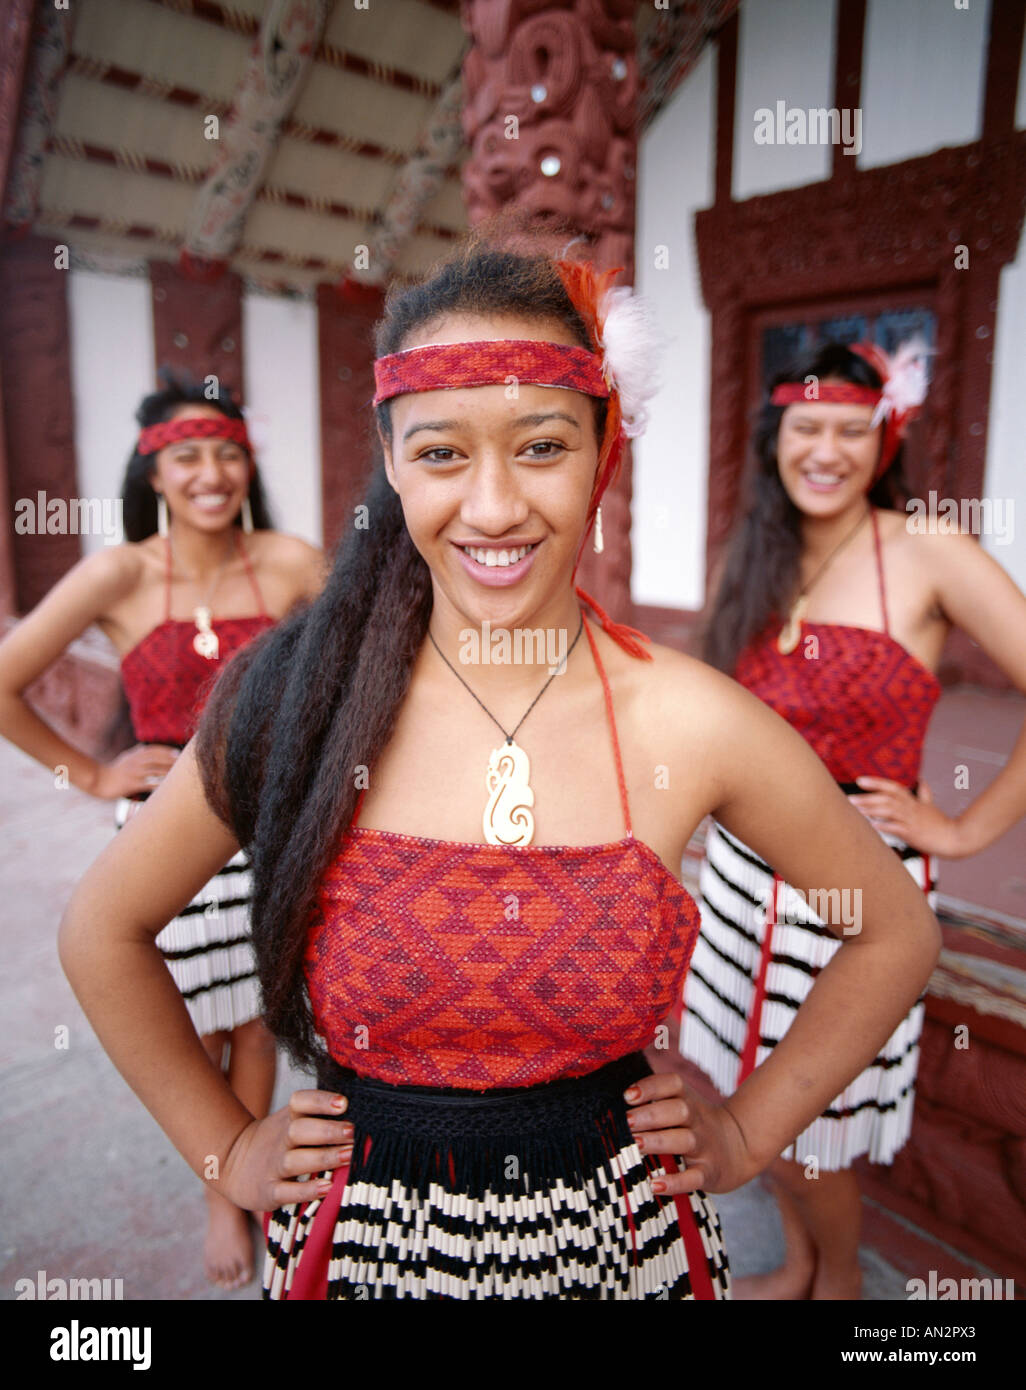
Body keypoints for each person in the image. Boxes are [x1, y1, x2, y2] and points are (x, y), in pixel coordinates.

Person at [58, 228, 940, 1300]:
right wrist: (227, 1150)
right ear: (390, 459)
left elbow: (893, 926)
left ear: (604, 449)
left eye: (541, 446)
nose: (492, 508)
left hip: (620, 1239)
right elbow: (102, 929)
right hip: (364, 1247)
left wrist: (750, 1132)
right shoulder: (297, 697)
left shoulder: (691, 719)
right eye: (441, 452)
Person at [677, 339, 1026, 1299]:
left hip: (852, 905)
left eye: (851, 430)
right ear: (774, 439)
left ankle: (841, 1293)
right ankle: (798, 1268)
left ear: (886, 440)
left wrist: (959, 831)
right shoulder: (753, 557)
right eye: (806, 428)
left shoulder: (927, 551)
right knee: (755, 1105)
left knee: (806, 1130)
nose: (825, 450)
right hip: (741, 883)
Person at [0, 372, 325, 1289]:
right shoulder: (120, 572)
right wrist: (93, 774)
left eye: (228, 451)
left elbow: (364, 660)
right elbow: (4, 681)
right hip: (164, 839)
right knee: (201, 1026)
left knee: (263, 1022)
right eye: (187, 455)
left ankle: (237, 1187)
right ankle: (225, 1183)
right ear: (154, 471)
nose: (211, 471)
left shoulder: (294, 562)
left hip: (275, 830)